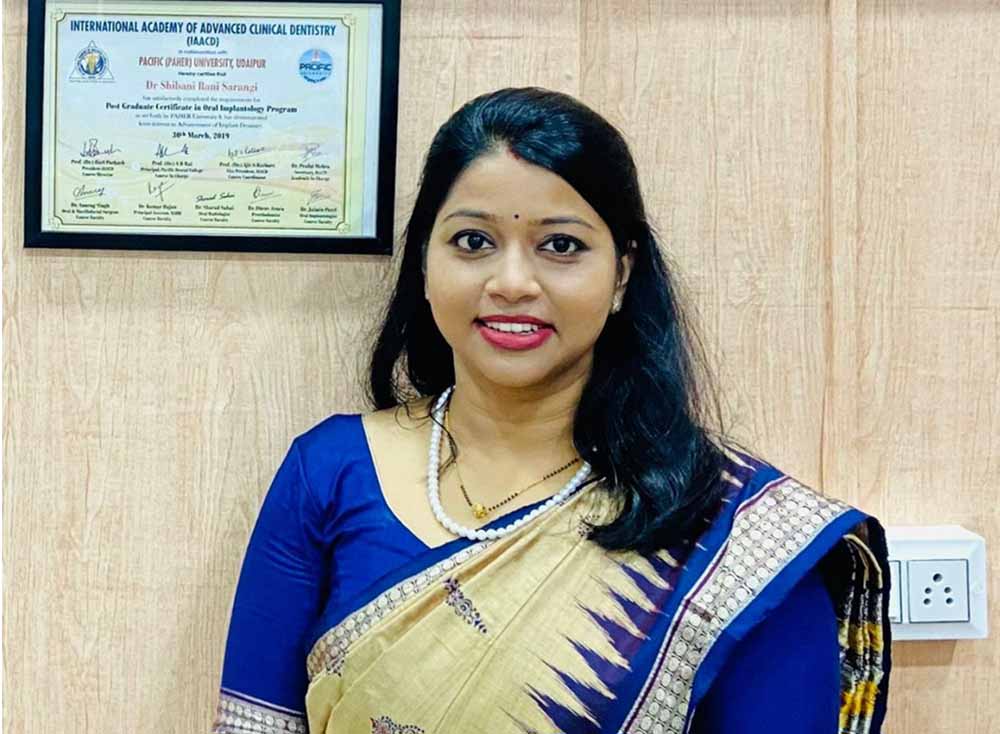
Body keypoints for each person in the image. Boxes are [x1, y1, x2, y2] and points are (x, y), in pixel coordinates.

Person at [211, 87, 891, 734]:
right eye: (473, 241)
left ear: (621, 273)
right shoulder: (328, 473)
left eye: (561, 246)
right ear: (424, 262)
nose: (512, 282)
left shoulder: (731, 537)